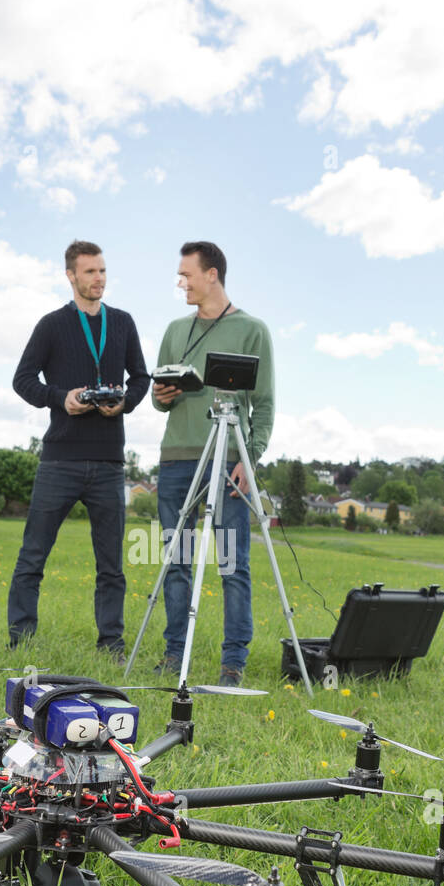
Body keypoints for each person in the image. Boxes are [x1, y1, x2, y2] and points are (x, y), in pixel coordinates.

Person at [8, 240, 150, 656]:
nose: (98, 279)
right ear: (71, 275)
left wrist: (124, 402)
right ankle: (20, 639)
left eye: (103, 271)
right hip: (60, 459)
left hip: (109, 461)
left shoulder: (122, 322)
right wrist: (60, 398)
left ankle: (111, 643)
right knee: (33, 554)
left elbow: (141, 377)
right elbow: (22, 379)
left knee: (111, 566)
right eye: (90, 272)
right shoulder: (52, 325)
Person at [151, 241, 274, 686]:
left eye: (187, 274)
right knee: (177, 561)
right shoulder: (173, 330)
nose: (181, 282)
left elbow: (264, 403)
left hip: (227, 460)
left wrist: (250, 459)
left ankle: (233, 663)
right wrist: (163, 395)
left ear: (213, 275)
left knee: (231, 563)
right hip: (176, 460)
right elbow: (157, 399)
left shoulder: (252, 330)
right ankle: (173, 655)